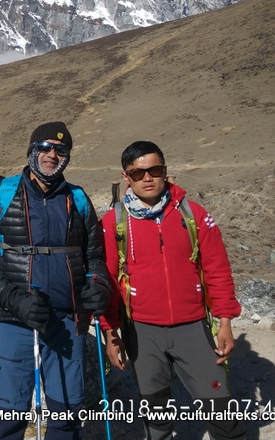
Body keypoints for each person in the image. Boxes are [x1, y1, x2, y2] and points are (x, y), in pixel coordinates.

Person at [0, 121, 111, 440]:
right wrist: (13, 298)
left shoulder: (79, 199)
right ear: (32, 151)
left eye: (61, 150)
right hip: (14, 320)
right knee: (8, 419)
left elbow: (95, 257)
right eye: (45, 147)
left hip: (67, 323)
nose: (52, 154)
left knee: (67, 419)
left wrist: (99, 286)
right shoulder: (1, 191)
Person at [99, 140, 246, 440]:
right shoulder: (114, 222)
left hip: (193, 326)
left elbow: (217, 270)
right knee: (157, 419)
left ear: (166, 172)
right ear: (126, 177)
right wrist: (110, 333)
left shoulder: (192, 214)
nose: (148, 178)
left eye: (155, 170)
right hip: (141, 330)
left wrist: (226, 323)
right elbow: (108, 283)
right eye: (138, 173)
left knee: (222, 413)